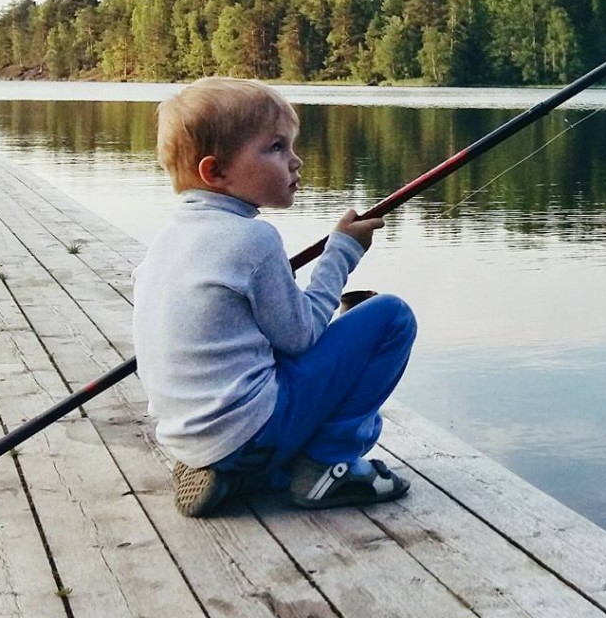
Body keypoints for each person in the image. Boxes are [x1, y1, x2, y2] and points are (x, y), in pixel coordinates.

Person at [132, 76, 417, 518]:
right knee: (392, 317)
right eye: (276, 148)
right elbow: (301, 336)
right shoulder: (253, 239)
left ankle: (229, 469)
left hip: (190, 437)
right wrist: (339, 253)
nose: (296, 161)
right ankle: (328, 467)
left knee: (277, 365)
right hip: (247, 429)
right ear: (216, 172)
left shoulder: (167, 244)